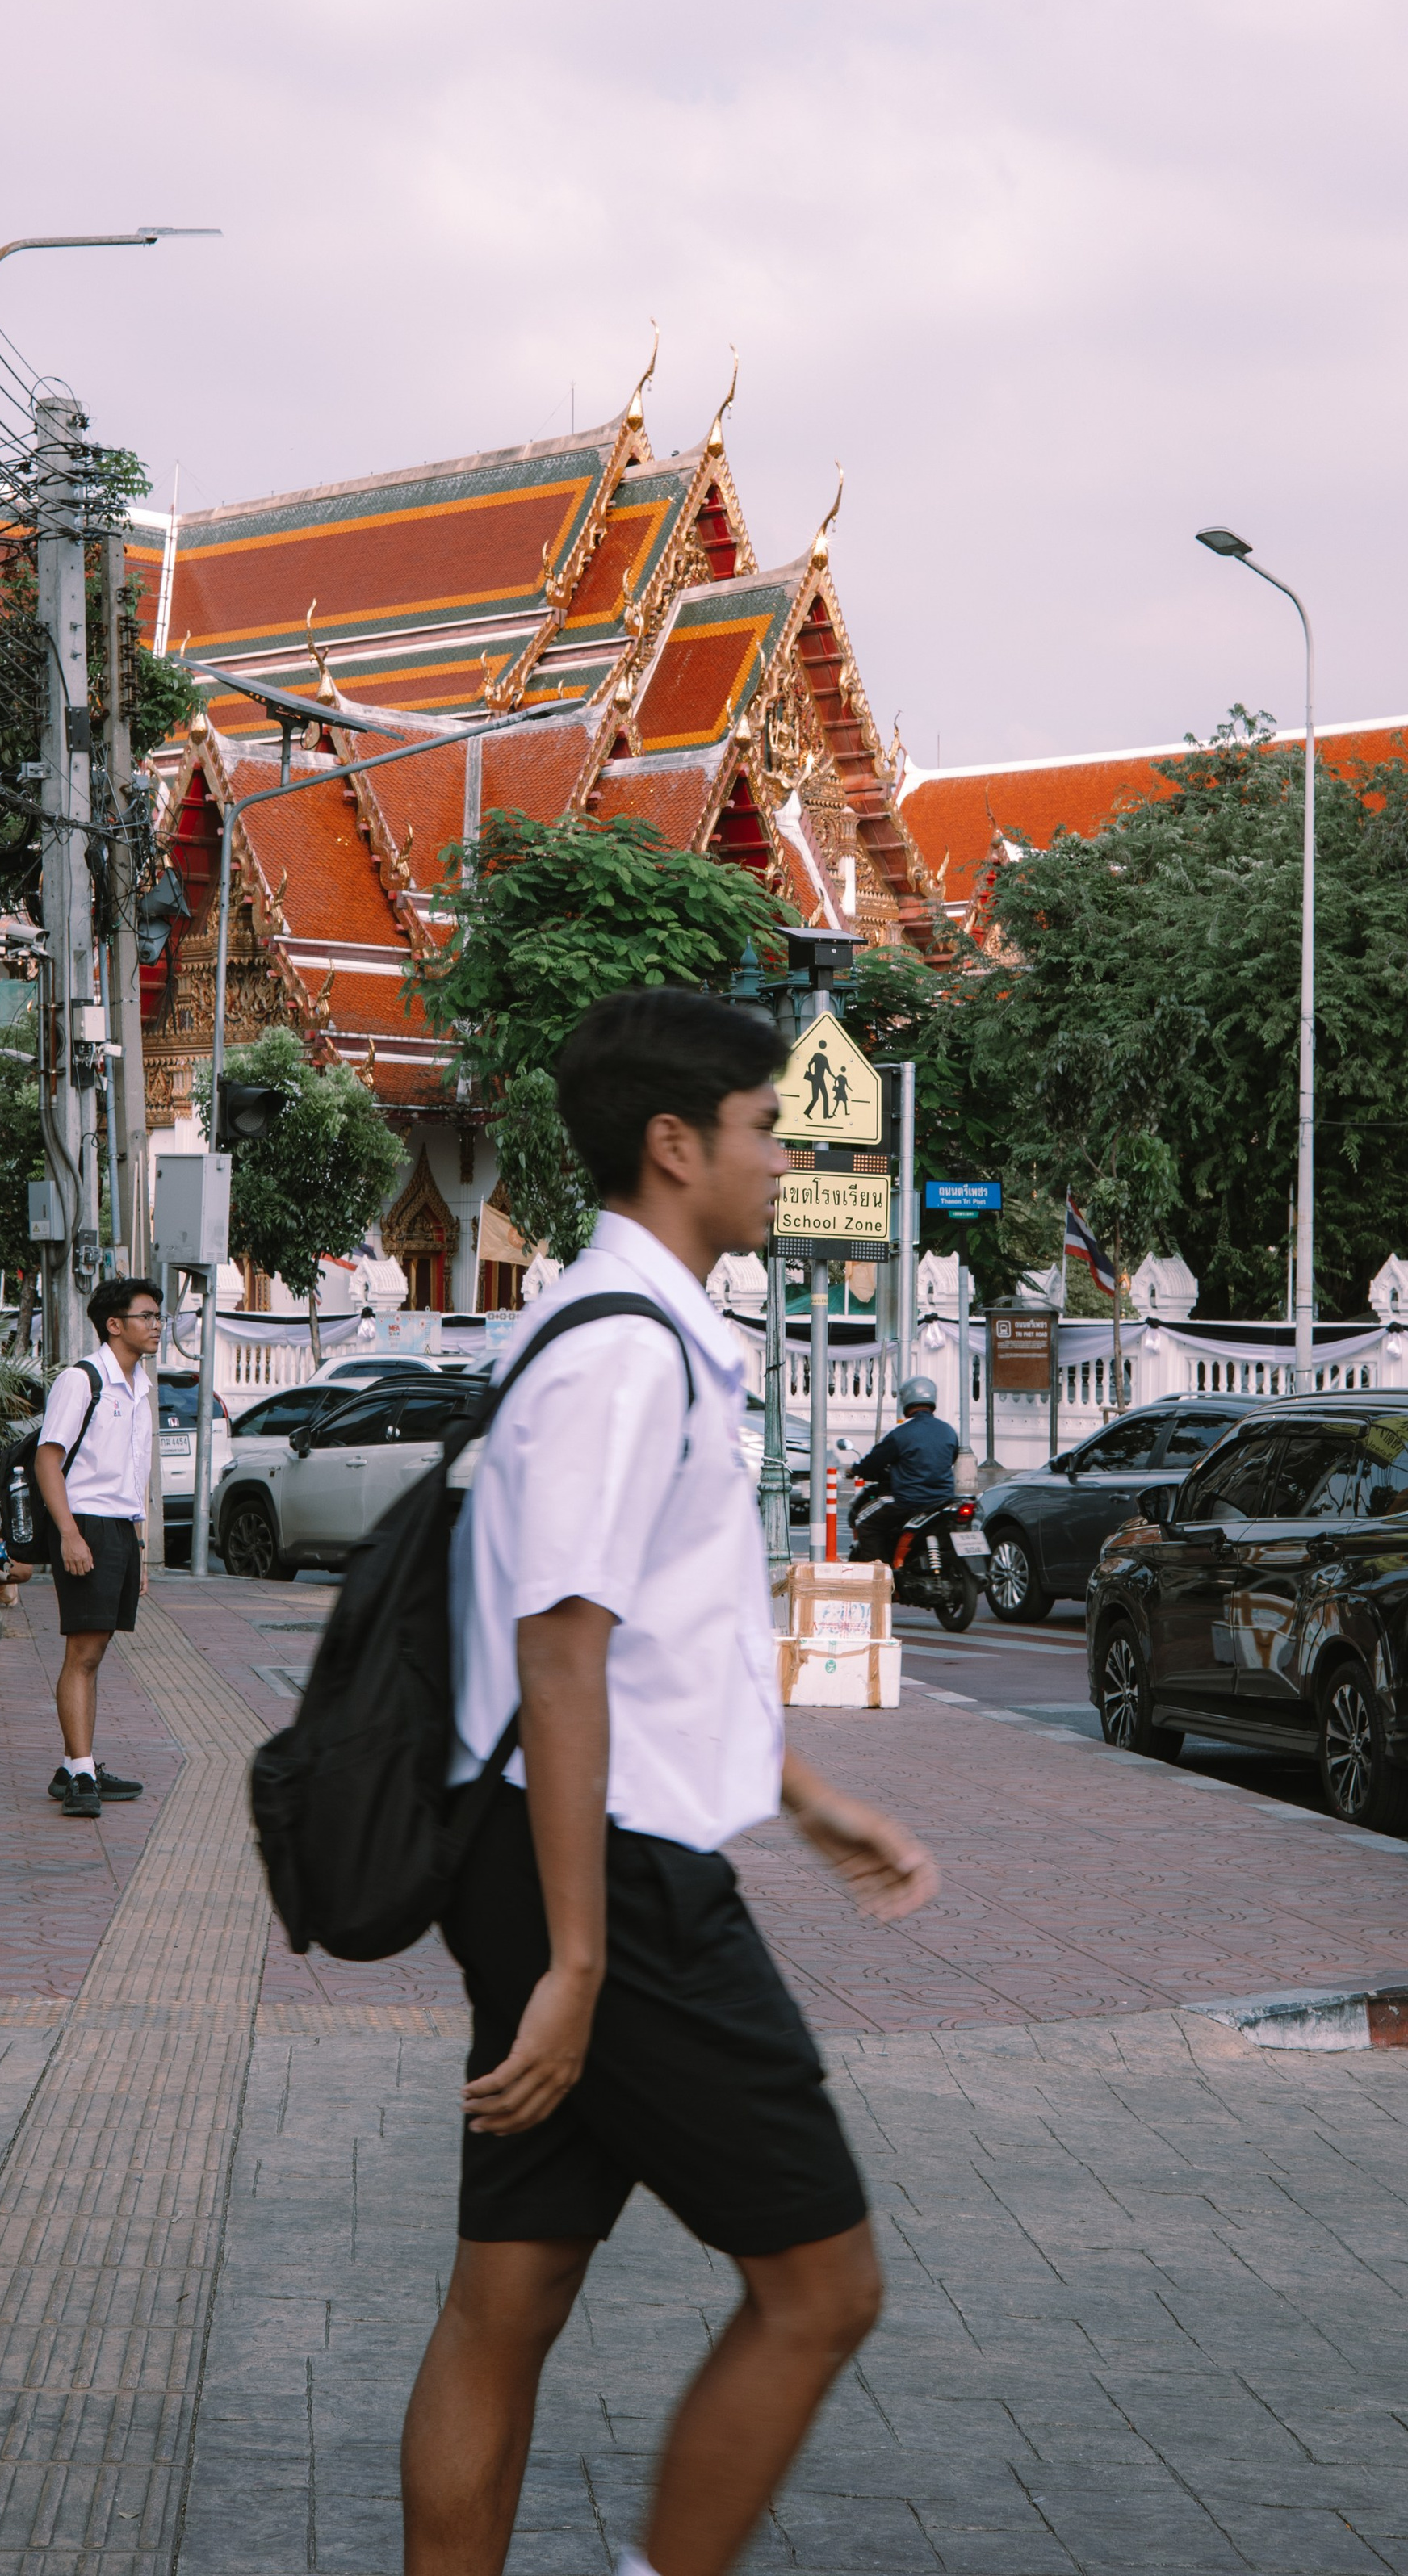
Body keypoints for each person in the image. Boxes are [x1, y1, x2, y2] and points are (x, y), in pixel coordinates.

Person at [401, 989, 937, 2576]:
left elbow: (647, 1656)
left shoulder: (629, 1332)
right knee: (821, 2286)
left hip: (572, 1858)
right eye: (763, 1127)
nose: (781, 1155)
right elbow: (559, 1661)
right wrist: (576, 1966)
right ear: (672, 1144)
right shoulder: (619, 1356)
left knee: (509, 2299)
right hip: (611, 1888)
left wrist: (796, 1792)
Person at [33, 1273, 161, 1822]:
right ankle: (82, 1772)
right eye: (146, 1317)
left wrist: (140, 1549)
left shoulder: (142, 1389)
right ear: (115, 1325)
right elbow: (48, 1459)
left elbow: (136, 1479)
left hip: (118, 1531)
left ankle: (73, 1765)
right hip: (84, 1525)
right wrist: (68, 1534)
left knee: (96, 1651)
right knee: (82, 1653)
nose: (156, 1326)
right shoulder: (83, 1381)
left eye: (159, 1317)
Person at [849, 1376, 961, 1569]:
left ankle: (880, 1579)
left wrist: (855, 1469)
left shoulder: (901, 1433)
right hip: (944, 1500)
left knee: (864, 1521)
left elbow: (872, 1463)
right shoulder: (948, 1431)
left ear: (906, 1400)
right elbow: (951, 1459)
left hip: (908, 1500)